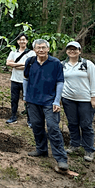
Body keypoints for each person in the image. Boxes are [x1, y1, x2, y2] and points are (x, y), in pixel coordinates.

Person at [24, 39, 68, 172]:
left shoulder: (55, 63)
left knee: (53, 128)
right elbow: (26, 79)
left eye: (43, 47)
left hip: (50, 101)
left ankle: (61, 158)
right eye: (38, 48)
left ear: (48, 49)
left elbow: (60, 82)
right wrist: (25, 96)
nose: (41, 50)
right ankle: (41, 149)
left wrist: (57, 100)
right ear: (34, 50)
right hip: (32, 100)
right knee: (36, 125)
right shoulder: (30, 62)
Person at [61, 41, 95, 163]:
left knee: (86, 124)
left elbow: (94, 80)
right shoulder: (63, 65)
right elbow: (60, 81)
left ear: (80, 51)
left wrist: (94, 97)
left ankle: (89, 149)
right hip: (68, 99)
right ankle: (74, 144)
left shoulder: (87, 64)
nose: (72, 51)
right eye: (70, 49)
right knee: (72, 123)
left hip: (85, 100)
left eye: (75, 49)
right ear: (67, 51)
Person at [5, 33, 33, 124]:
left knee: (28, 100)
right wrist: (23, 64)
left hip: (27, 80)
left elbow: (31, 65)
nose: (22, 41)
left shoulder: (31, 53)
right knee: (14, 99)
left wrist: (15, 65)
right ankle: (13, 117)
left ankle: (29, 120)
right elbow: (8, 63)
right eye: (20, 39)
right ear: (17, 41)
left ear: (27, 41)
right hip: (14, 80)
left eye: (24, 39)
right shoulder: (13, 52)